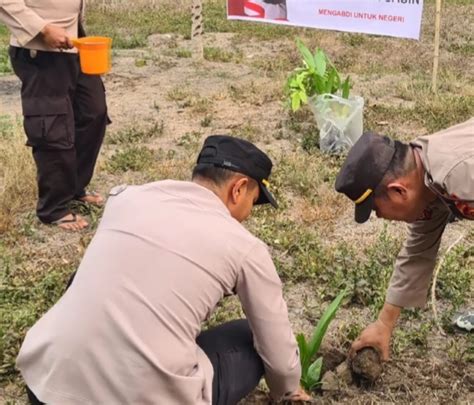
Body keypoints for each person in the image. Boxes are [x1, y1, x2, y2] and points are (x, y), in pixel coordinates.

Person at [17, 135, 310, 404]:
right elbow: (279, 356)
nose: (248, 214)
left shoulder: (126, 198)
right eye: (254, 202)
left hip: (45, 385)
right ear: (239, 188)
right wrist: (287, 390)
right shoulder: (245, 248)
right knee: (251, 335)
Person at [334, 118, 473, 360]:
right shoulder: (427, 177)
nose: (382, 217)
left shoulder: (461, 177)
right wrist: (383, 325)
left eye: (377, 210)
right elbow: (418, 252)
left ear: (398, 191)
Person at [0, 0, 109, 231]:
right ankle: (54, 208)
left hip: (75, 43)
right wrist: (43, 28)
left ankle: (74, 187)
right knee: (52, 125)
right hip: (40, 50)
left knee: (93, 113)